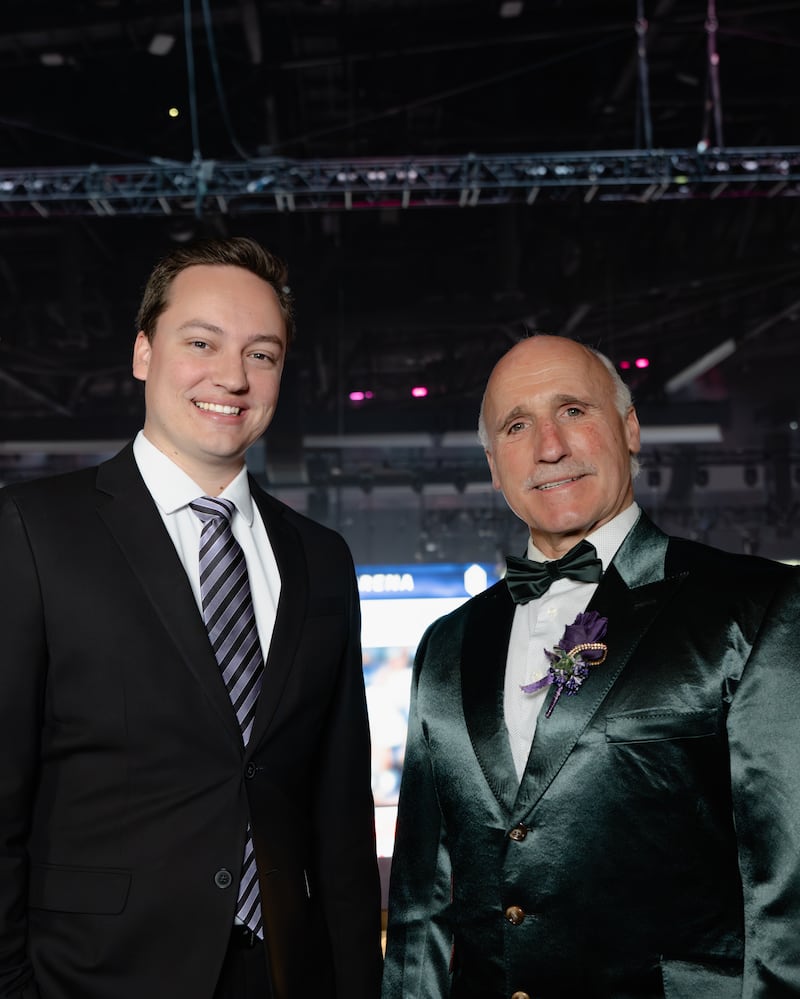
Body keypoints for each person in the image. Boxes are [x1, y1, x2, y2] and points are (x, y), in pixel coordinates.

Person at [0, 236, 383, 999]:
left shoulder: (322, 558)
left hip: (284, 976)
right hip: (92, 978)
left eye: (261, 353)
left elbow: (340, 818)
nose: (233, 376)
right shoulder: (33, 530)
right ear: (144, 351)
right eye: (201, 342)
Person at [382, 333, 800, 999]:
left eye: (573, 410)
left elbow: (788, 896)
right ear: (493, 466)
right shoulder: (447, 644)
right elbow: (422, 905)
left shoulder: (757, 606)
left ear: (630, 428)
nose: (549, 446)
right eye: (517, 426)